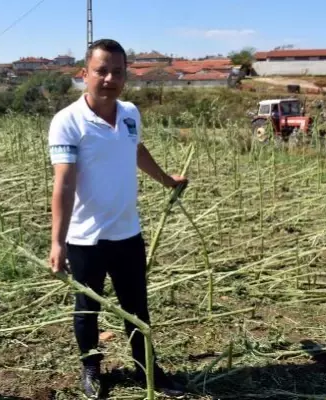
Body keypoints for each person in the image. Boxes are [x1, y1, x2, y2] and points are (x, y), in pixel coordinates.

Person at [47, 38, 188, 398]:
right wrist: (57, 242)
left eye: (117, 72)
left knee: (136, 307)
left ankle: (147, 369)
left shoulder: (129, 113)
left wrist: (166, 180)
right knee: (87, 309)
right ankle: (92, 370)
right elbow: (63, 183)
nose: (109, 78)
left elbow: (136, 149)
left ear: (126, 75)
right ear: (84, 74)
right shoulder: (67, 122)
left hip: (128, 233)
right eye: (101, 71)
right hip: (86, 238)